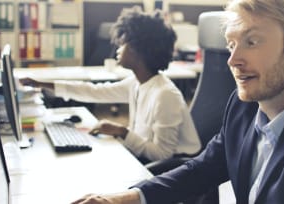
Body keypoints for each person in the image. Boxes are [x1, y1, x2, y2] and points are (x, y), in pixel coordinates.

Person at [71, 0, 284, 203]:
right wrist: (123, 199)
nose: (233, 59)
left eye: (252, 41)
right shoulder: (244, 107)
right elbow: (202, 169)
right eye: (231, 44)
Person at [21, 6, 201, 163]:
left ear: (139, 50)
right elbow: (93, 91)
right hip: (147, 159)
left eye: (123, 44)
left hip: (174, 169)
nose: (118, 49)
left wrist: (122, 131)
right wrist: (43, 84)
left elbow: (162, 156)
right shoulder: (138, 83)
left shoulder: (165, 95)